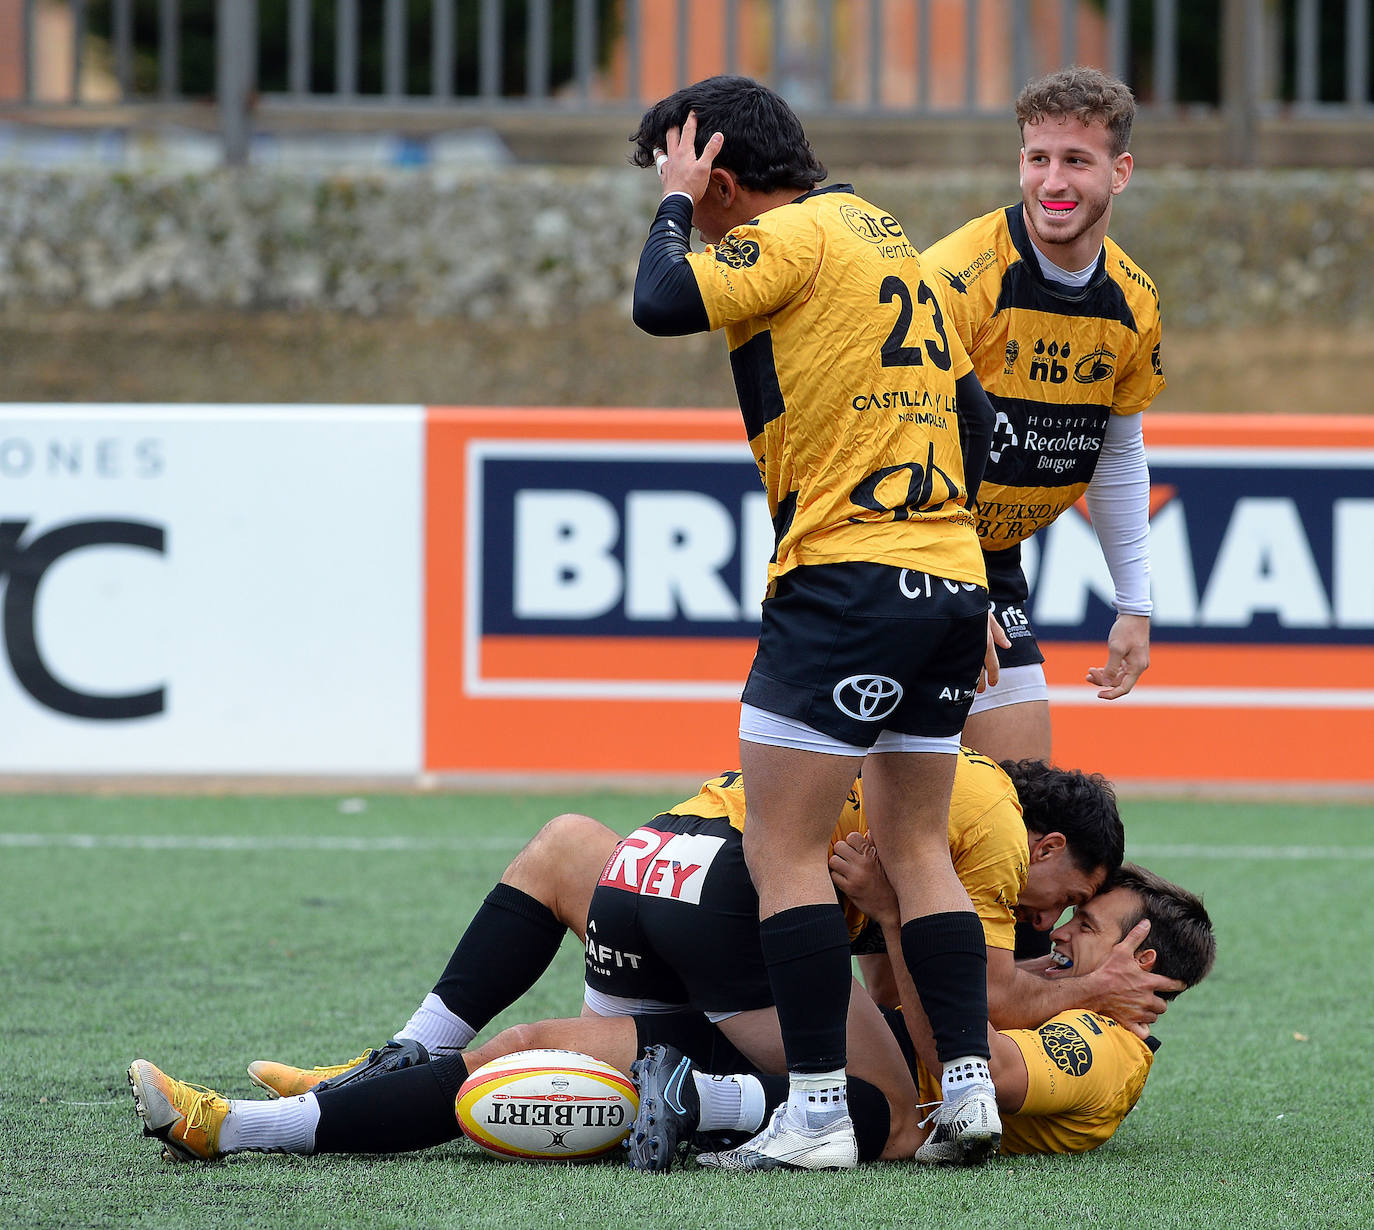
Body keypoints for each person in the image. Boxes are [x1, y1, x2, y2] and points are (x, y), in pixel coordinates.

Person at [126, 759, 1174, 1167]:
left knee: (537, 1043)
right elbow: (969, 1021)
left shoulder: (898, 746)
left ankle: (262, 1120)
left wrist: (892, 918)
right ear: (1047, 850)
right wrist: (1084, 985)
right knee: (895, 1119)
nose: (1058, 924)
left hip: (652, 863)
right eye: (1074, 902)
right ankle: (719, 1106)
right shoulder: (983, 825)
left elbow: (912, 992)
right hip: (739, 906)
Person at [630, 73, 998, 1170]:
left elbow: (659, 300)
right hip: (947, 578)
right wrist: (963, 563)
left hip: (843, 579)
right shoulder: (895, 241)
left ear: (729, 181)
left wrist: (675, 210)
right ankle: (968, 1092)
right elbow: (977, 419)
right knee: (916, 841)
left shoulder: (788, 234)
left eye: (700, 185)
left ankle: (819, 1113)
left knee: (781, 849)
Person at [635, 859, 1215, 1170]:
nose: (1058, 932)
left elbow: (976, 1069)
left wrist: (896, 914)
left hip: (855, 1084)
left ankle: (698, 1102)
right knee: (574, 1048)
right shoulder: (1066, 992)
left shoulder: (1107, 1047)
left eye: (1084, 926)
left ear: (1139, 962)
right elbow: (897, 990)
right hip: (841, 1045)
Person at [922, 66, 1166, 768]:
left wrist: (1134, 605)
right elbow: (890, 442)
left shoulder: (1134, 301)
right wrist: (945, 590)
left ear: (1119, 172)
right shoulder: (957, 278)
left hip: (992, 562)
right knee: (876, 823)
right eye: (1038, 159)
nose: (1052, 183)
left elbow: (1118, 454)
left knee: (1016, 808)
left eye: (1075, 162)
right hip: (902, 549)